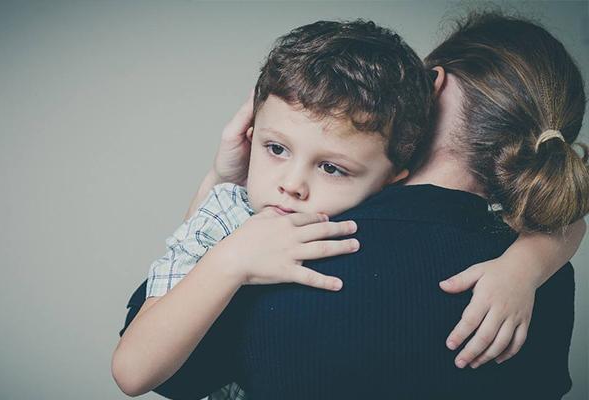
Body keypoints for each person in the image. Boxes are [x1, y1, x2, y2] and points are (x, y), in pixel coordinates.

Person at [113, 13, 588, 399]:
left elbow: (159, 373)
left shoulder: (294, 249)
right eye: (276, 149)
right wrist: (527, 265)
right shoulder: (542, 276)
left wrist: (226, 224)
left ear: (433, 83)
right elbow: (568, 224)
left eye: (332, 167)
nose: (292, 187)